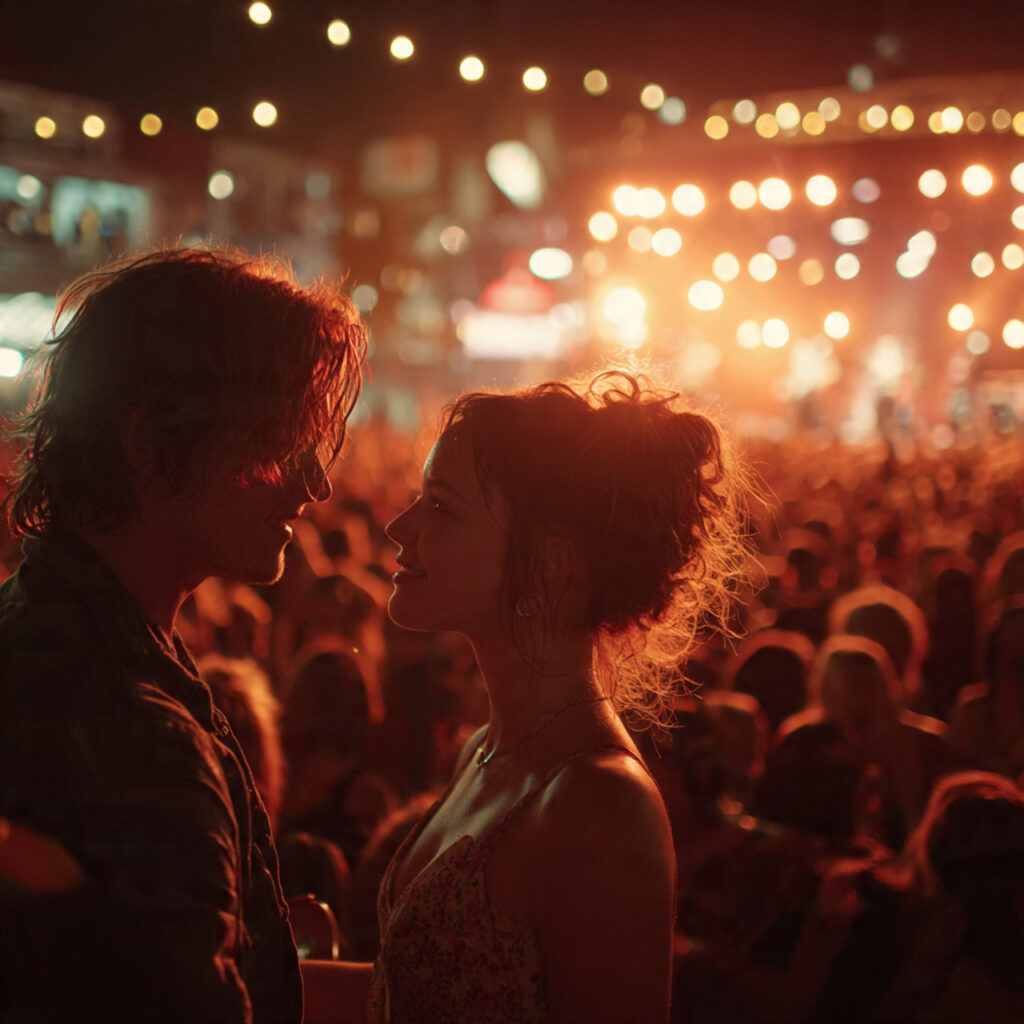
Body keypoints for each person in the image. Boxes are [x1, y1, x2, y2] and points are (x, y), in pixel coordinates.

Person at [309, 369, 752, 1023]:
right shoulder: (486, 752)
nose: (400, 527)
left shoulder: (601, 802)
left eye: (441, 505)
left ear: (550, 562)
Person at [0, 246, 366, 1023]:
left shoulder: (55, 634)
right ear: (151, 446)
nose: (315, 483)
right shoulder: (131, 729)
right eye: (278, 438)